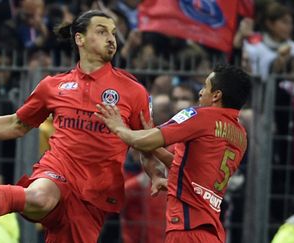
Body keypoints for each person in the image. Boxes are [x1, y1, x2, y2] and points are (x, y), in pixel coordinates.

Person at [0, 10, 151, 243]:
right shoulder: (53, 86)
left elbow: (147, 142)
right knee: (38, 197)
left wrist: (157, 174)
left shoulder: (133, 91)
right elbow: (16, 124)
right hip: (59, 171)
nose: (111, 38)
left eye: (113, 32)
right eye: (101, 31)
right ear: (80, 39)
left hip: (95, 192)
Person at [95, 64, 251, 243]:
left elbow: (141, 140)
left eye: (205, 87)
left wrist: (118, 126)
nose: (200, 92)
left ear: (217, 95)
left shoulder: (201, 116)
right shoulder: (241, 135)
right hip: (212, 233)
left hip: (186, 229)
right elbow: (192, 170)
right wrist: (171, 177)